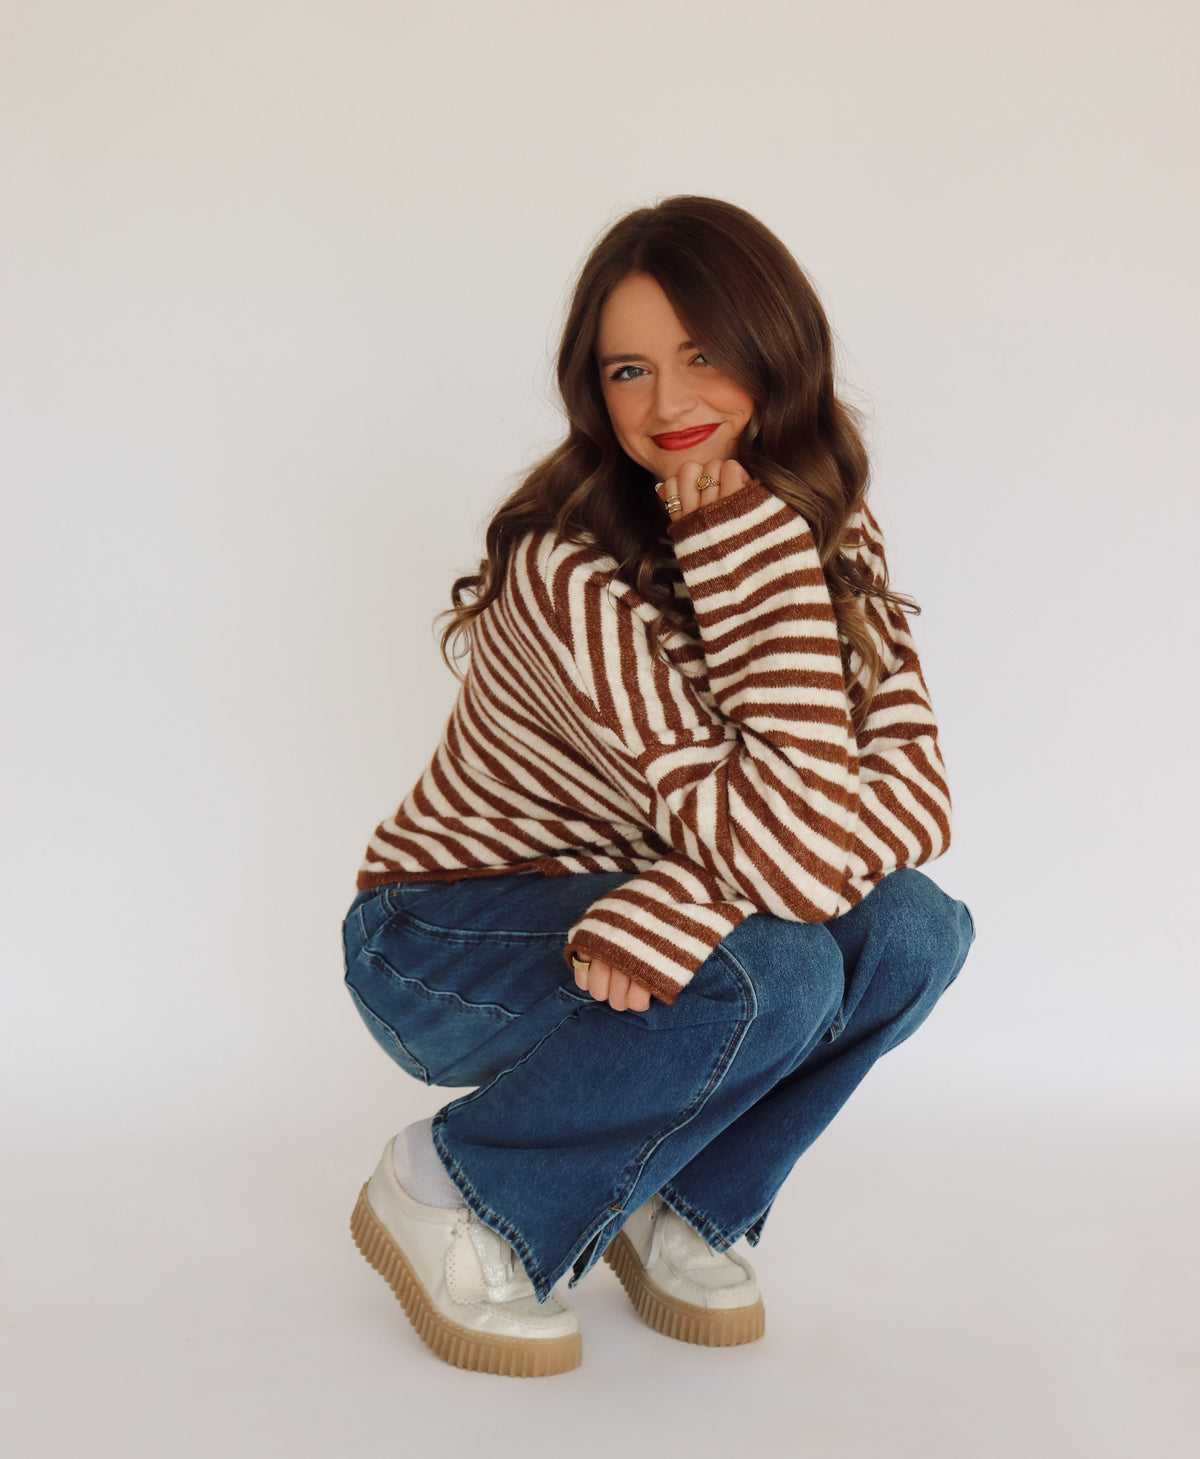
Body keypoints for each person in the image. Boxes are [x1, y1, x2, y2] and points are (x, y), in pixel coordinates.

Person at [341, 195, 975, 1378]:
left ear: (776, 352)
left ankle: (681, 1197)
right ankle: (449, 1182)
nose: (669, 403)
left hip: (657, 903)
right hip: (440, 930)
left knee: (914, 931)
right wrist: (743, 557)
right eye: (629, 370)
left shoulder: (832, 533)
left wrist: (682, 900)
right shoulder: (566, 567)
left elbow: (917, 792)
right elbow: (791, 855)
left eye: (703, 355)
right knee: (776, 967)